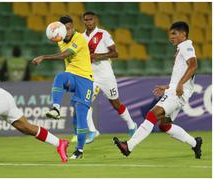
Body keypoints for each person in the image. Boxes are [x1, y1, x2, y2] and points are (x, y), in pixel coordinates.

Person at [113, 22, 202, 159]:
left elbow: (194, 65)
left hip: (178, 93)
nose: (171, 37)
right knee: (164, 126)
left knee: (151, 115)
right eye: (170, 34)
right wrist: (169, 86)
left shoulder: (186, 46)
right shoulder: (181, 48)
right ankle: (194, 143)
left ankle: (128, 146)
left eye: (174, 34)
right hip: (176, 90)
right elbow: (182, 72)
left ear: (184, 34)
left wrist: (179, 86)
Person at [32, 16, 93, 159]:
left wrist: (44, 57)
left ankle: (79, 150)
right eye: (66, 29)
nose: (69, 31)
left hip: (85, 80)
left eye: (70, 28)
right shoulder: (60, 41)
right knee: (60, 76)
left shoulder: (79, 39)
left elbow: (66, 55)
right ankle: (56, 108)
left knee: (80, 116)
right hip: (72, 76)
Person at [79, 11, 137, 144]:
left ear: (96, 20)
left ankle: (131, 125)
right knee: (83, 102)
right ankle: (93, 131)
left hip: (105, 75)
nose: (88, 22)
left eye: (91, 19)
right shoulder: (81, 37)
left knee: (115, 103)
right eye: (86, 20)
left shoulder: (103, 34)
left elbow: (115, 53)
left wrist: (98, 56)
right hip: (89, 75)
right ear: (83, 21)